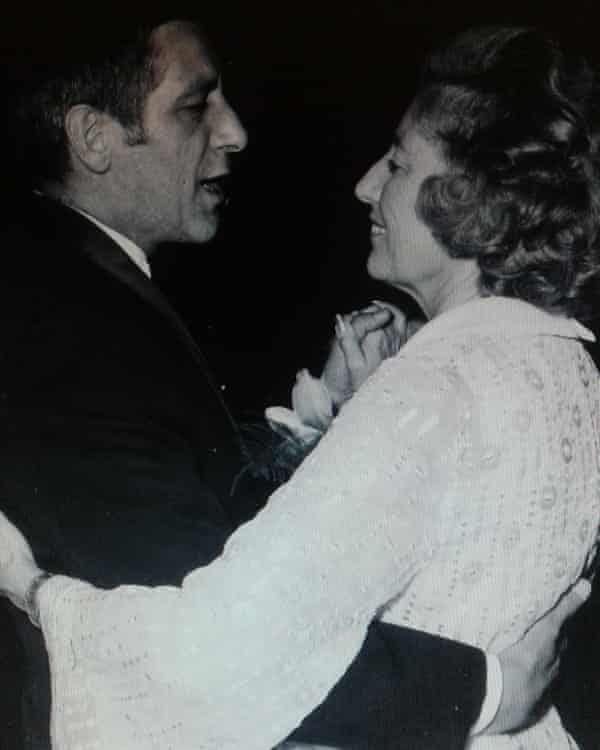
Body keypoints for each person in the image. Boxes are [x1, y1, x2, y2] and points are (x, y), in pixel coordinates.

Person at [1, 23, 597, 750]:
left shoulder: (434, 383)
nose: (365, 183)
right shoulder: (566, 364)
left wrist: (35, 590)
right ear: (93, 138)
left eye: (397, 162)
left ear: (470, 193)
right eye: (196, 106)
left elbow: (217, 650)